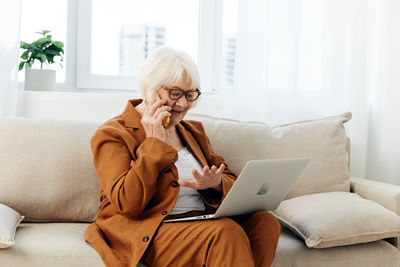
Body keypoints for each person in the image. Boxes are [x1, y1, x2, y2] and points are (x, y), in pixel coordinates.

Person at [84, 46, 282, 267]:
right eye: (175, 93)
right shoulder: (112, 133)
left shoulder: (191, 132)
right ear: (151, 89)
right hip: (147, 228)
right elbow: (127, 203)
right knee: (225, 232)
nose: (183, 104)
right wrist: (153, 144)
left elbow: (228, 177)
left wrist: (214, 185)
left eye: (190, 94)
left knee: (265, 223)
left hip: (198, 220)